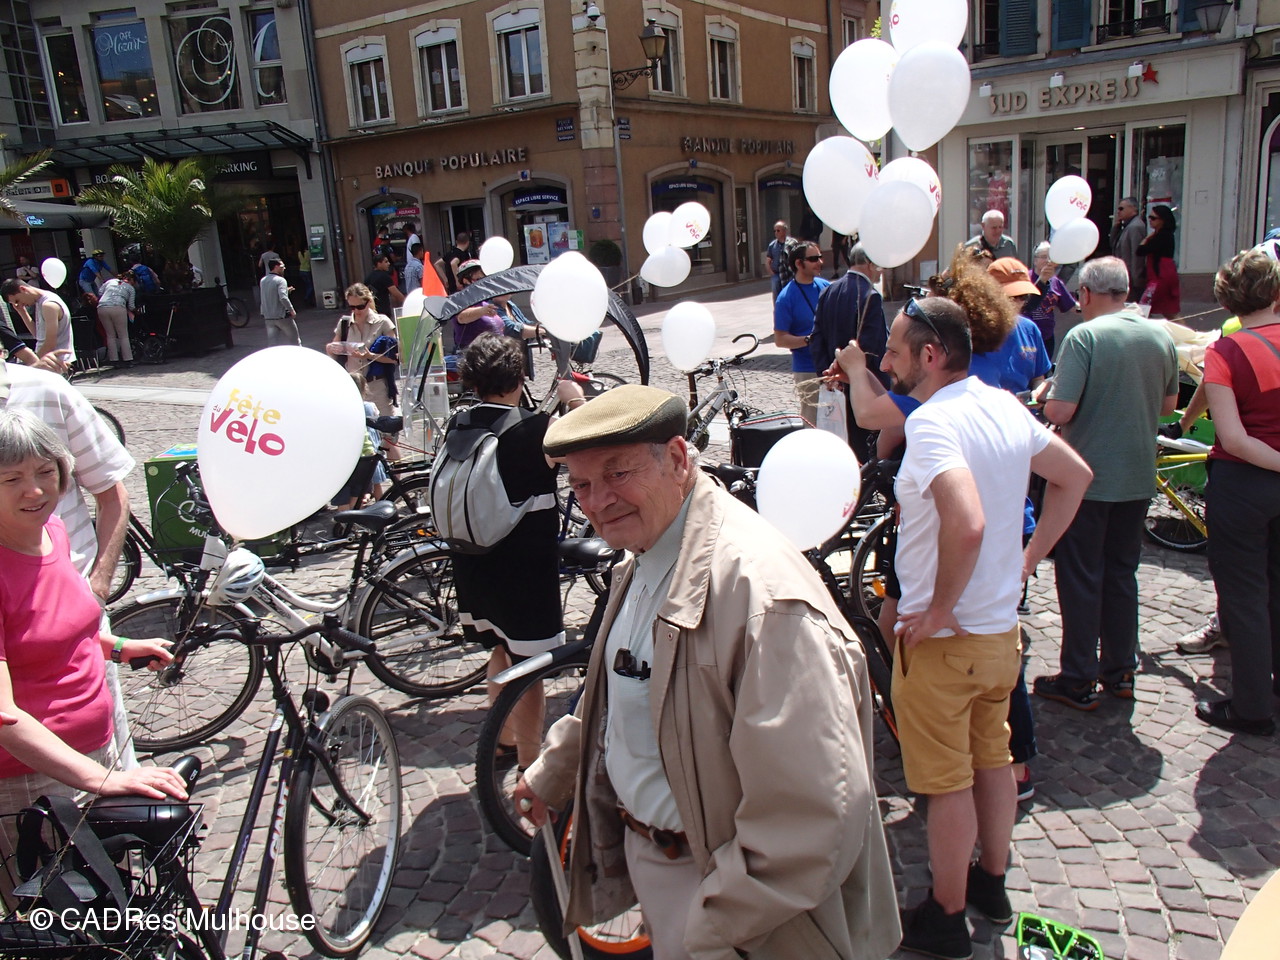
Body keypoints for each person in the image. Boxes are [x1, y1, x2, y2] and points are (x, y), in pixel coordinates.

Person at [513, 383, 899, 960]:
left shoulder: (762, 597)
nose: (597, 501)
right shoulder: (648, 550)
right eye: (582, 485)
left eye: (617, 474)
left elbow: (812, 815)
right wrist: (558, 766)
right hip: (673, 868)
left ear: (676, 458)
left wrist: (713, 929)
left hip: (737, 905)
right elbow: (625, 685)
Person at [884, 299, 1091, 959]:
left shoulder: (932, 422)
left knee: (946, 784)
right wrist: (1029, 559)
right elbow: (1075, 477)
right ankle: (991, 884)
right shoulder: (1004, 405)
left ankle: (946, 917)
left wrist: (938, 608)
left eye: (895, 350)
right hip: (1001, 634)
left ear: (930, 355)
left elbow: (967, 522)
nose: (886, 362)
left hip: (947, 646)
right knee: (995, 762)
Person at [0, 410, 186, 859]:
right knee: (58, 898)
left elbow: (54, 628)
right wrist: (101, 779)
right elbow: (2, 716)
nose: (35, 490)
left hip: (93, 751)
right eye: (11, 479)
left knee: (106, 887)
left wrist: (119, 647)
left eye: (46, 472)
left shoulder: (51, 531)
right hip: (29, 780)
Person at [1034, 257, 1178, 710]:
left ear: (1087, 294)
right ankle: (1120, 671)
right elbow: (1168, 406)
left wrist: (1045, 396)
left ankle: (1078, 676)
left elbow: (1060, 411)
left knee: (1080, 576)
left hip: (1088, 479)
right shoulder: (1159, 334)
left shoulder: (1085, 336)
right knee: (1121, 574)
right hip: (1137, 475)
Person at [449, 335, 584, 766]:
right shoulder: (534, 429)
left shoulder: (459, 424)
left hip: (473, 561)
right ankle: (530, 763)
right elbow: (587, 448)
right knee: (531, 670)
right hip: (523, 569)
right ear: (520, 377)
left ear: (473, 381)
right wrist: (575, 399)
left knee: (501, 648)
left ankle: (503, 739)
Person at [1192, 248, 1280, 735]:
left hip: (1244, 483)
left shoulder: (1225, 351)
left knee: (1244, 597)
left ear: (1227, 301)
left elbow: (1234, 438)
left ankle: (1252, 708)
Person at [809, 243, 888, 459]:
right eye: (879, 265)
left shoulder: (828, 291)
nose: (881, 271)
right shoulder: (870, 295)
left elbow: (816, 338)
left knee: (841, 445)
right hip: (860, 386)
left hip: (834, 383)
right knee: (863, 449)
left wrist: (827, 374)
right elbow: (871, 348)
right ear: (870, 264)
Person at [975, 258, 1052, 394]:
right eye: (1011, 297)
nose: (1017, 302)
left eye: (1023, 296)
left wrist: (1038, 392)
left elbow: (1038, 378)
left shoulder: (1030, 329)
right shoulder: (972, 330)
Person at [773, 240, 829, 425]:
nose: (820, 262)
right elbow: (780, 339)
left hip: (831, 365)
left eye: (820, 257)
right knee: (812, 422)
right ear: (798, 263)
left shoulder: (825, 287)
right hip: (807, 369)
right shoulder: (786, 298)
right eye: (813, 259)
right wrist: (808, 340)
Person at [327, 283, 399, 423]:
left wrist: (369, 356)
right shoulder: (344, 323)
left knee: (386, 428)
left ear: (368, 302)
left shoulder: (382, 322)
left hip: (376, 385)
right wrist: (331, 349)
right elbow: (334, 353)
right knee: (358, 427)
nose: (356, 311)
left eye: (360, 306)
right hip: (352, 386)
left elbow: (395, 358)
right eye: (352, 307)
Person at [1026, 242, 1077, 357]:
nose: (1048, 261)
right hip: (1027, 336)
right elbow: (1024, 305)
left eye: (1050, 257)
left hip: (1047, 338)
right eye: (1044, 257)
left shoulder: (1055, 282)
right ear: (1035, 260)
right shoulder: (1025, 278)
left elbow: (1071, 306)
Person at [1, 279, 73, 359]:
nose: (19, 304)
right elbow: (38, 335)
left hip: (59, 361)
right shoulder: (40, 302)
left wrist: (34, 362)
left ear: (23, 289)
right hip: (49, 360)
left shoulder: (49, 304)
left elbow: (50, 344)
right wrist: (22, 312)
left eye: (17, 301)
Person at [1136, 204, 1181, 319]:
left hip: (1160, 278)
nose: (1150, 220)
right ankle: (1186, 330)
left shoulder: (1162, 236)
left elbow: (1140, 251)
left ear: (1163, 220)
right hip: (1165, 276)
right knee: (1170, 312)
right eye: (1149, 217)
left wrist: (1146, 239)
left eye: (1153, 218)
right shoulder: (1165, 235)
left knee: (1143, 309)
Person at [452, 261, 506, 353]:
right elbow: (461, 317)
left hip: (495, 353)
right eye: (478, 279)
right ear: (465, 280)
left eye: (484, 279)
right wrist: (482, 311)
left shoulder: (485, 300)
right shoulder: (459, 298)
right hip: (473, 355)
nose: (482, 283)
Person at [1110, 196, 1147, 300]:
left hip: (1131, 277)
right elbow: (1113, 245)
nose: (1118, 212)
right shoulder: (1126, 226)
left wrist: (1137, 279)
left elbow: (1137, 255)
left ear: (1133, 209)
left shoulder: (1135, 227)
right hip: (1124, 275)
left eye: (1121, 208)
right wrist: (1116, 228)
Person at [96, 272, 137, 366]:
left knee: (110, 335)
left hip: (102, 307)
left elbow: (100, 292)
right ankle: (128, 360)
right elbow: (131, 306)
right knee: (123, 335)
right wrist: (136, 310)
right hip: (118, 307)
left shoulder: (110, 281)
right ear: (131, 280)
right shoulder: (130, 288)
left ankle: (114, 360)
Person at [258, 258, 299, 347]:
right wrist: (291, 310)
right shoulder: (281, 280)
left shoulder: (263, 280)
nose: (284, 268)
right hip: (281, 316)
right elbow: (283, 298)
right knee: (295, 342)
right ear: (276, 267)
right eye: (282, 266)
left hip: (268, 316)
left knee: (272, 344)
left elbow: (267, 294)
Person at [363, 253, 405, 318]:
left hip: (371, 312)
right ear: (379, 263)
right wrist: (407, 302)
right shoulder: (385, 277)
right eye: (386, 262)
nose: (389, 264)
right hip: (383, 313)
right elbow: (396, 294)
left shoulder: (368, 278)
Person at [765, 220, 791, 302]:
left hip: (789, 274)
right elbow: (768, 260)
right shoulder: (772, 245)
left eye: (778, 230)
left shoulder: (791, 243)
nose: (776, 233)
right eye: (775, 231)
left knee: (789, 294)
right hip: (776, 274)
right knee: (776, 294)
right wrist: (771, 273)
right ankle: (777, 308)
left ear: (784, 231)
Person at [442, 230, 474, 295]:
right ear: (468, 242)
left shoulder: (450, 253)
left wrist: (445, 279)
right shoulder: (461, 254)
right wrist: (457, 281)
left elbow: (437, 264)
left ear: (457, 242)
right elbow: (453, 263)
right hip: (460, 287)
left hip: (451, 285)